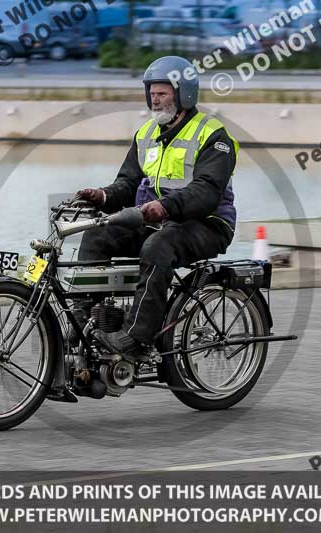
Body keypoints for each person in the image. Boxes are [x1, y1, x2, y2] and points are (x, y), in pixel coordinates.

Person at [74, 55, 240, 362]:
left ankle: (137, 339)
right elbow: (127, 184)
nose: (155, 99)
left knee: (159, 245)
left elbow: (205, 192)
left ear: (184, 94)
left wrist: (164, 207)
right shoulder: (146, 134)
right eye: (151, 93)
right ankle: (84, 324)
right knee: (98, 235)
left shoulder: (213, 135)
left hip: (207, 223)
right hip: (154, 220)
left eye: (162, 93)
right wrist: (102, 196)